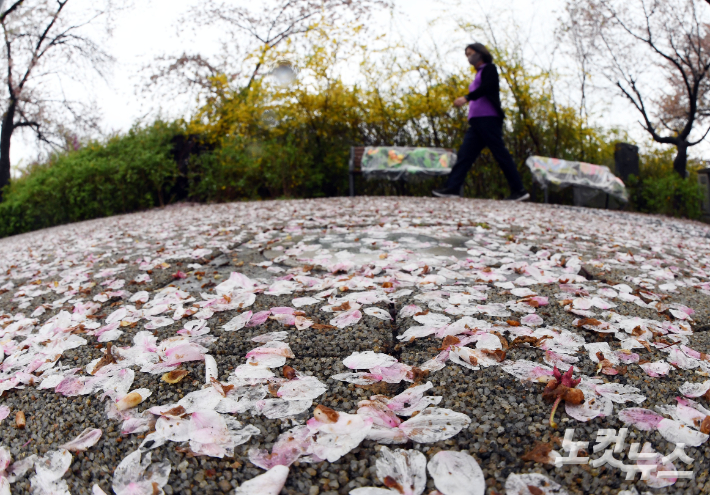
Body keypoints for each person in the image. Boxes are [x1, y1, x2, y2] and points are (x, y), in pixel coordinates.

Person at [433, 43, 529, 201]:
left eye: (470, 54)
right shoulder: (478, 74)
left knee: (500, 154)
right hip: (476, 121)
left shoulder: (490, 69)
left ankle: (519, 190)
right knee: (465, 155)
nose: (469, 58)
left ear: (480, 53)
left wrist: (467, 97)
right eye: (467, 55)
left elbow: (486, 88)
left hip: (488, 119)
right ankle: (452, 188)